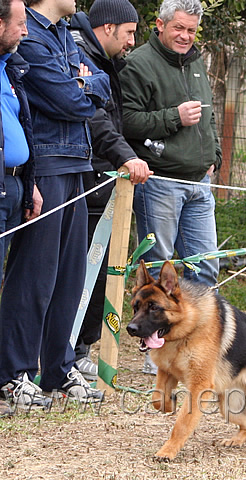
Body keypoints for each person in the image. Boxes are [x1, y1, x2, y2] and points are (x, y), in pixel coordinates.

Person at [0, 0, 111, 407]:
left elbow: (101, 85)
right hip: (46, 164)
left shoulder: (67, 33)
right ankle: (15, 372)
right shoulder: (26, 34)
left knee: (69, 276)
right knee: (35, 276)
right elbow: (71, 100)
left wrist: (85, 84)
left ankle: (58, 369)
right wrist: (82, 86)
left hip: (77, 163)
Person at [68, 0, 153, 381]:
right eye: (130, 33)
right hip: (87, 179)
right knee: (81, 271)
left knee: (102, 272)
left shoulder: (108, 63)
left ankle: (81, 348)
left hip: (106, 181)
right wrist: (126, 157)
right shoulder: (80, 55)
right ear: (107, 29)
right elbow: (96, 119)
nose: (133, 41)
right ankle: (67, 350)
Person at [120, 0, 221, 288]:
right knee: (158, 269)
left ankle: (198, 333)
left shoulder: (196, 61)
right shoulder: (137, 64)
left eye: (191, 30)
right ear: (160, 24)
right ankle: (153, 334)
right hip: (159, 183)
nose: (185, 36)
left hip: (200, 183)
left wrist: (215, 155)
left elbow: (208, 115)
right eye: (179, 27)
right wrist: (173, 117)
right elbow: (126, 121)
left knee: (206, 269)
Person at [0, 0, 42, 415]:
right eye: (19, 23)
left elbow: (20, 126)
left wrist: (27, 183)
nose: (25, 32)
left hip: (14, 188)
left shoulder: (10, 67)